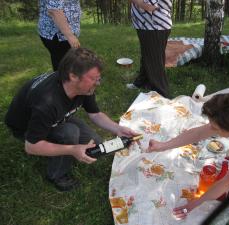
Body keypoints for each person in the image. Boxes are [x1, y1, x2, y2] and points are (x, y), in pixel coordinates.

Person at [5, 48, 138, 192]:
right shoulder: (47, 102)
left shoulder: (84, 88)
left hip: (57, 118)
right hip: (25, 129)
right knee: (69, 133)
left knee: (97, 146)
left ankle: (65, 146)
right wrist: (73, 149)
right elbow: (31, 147)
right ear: (74, 76)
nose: (97, 83)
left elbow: (95, 114)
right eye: (93, 79)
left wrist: (118, 129)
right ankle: (57, 174)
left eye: (98, 78)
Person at [126, 0, 172, 98]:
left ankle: (161, 94)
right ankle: (142, 82)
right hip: (147, 25)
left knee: (154, 61)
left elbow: (150, 6)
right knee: (147, 55)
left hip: (154, 26)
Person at [38, 0, 81, 71]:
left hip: (63, 34)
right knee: (64, 66)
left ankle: (62, 79)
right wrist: (70, 36)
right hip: (58, 35)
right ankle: (61, 81)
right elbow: (54, 10)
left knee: (64, 63)